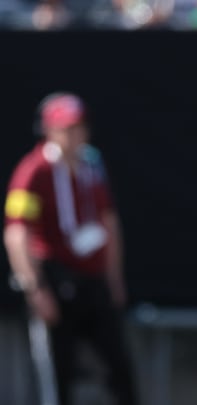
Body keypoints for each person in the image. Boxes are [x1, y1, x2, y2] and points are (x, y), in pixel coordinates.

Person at [3, 92, 138, 405]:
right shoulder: (33, 170)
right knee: (57, 378)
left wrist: (113, 279)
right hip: (56, 283)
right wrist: (36, 289)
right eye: (67, 128)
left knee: (119, 371)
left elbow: (109, 223)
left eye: (80, 127)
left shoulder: (93, 166)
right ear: (49, 131)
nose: (76, 135)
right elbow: (16, 232)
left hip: (93, 283)